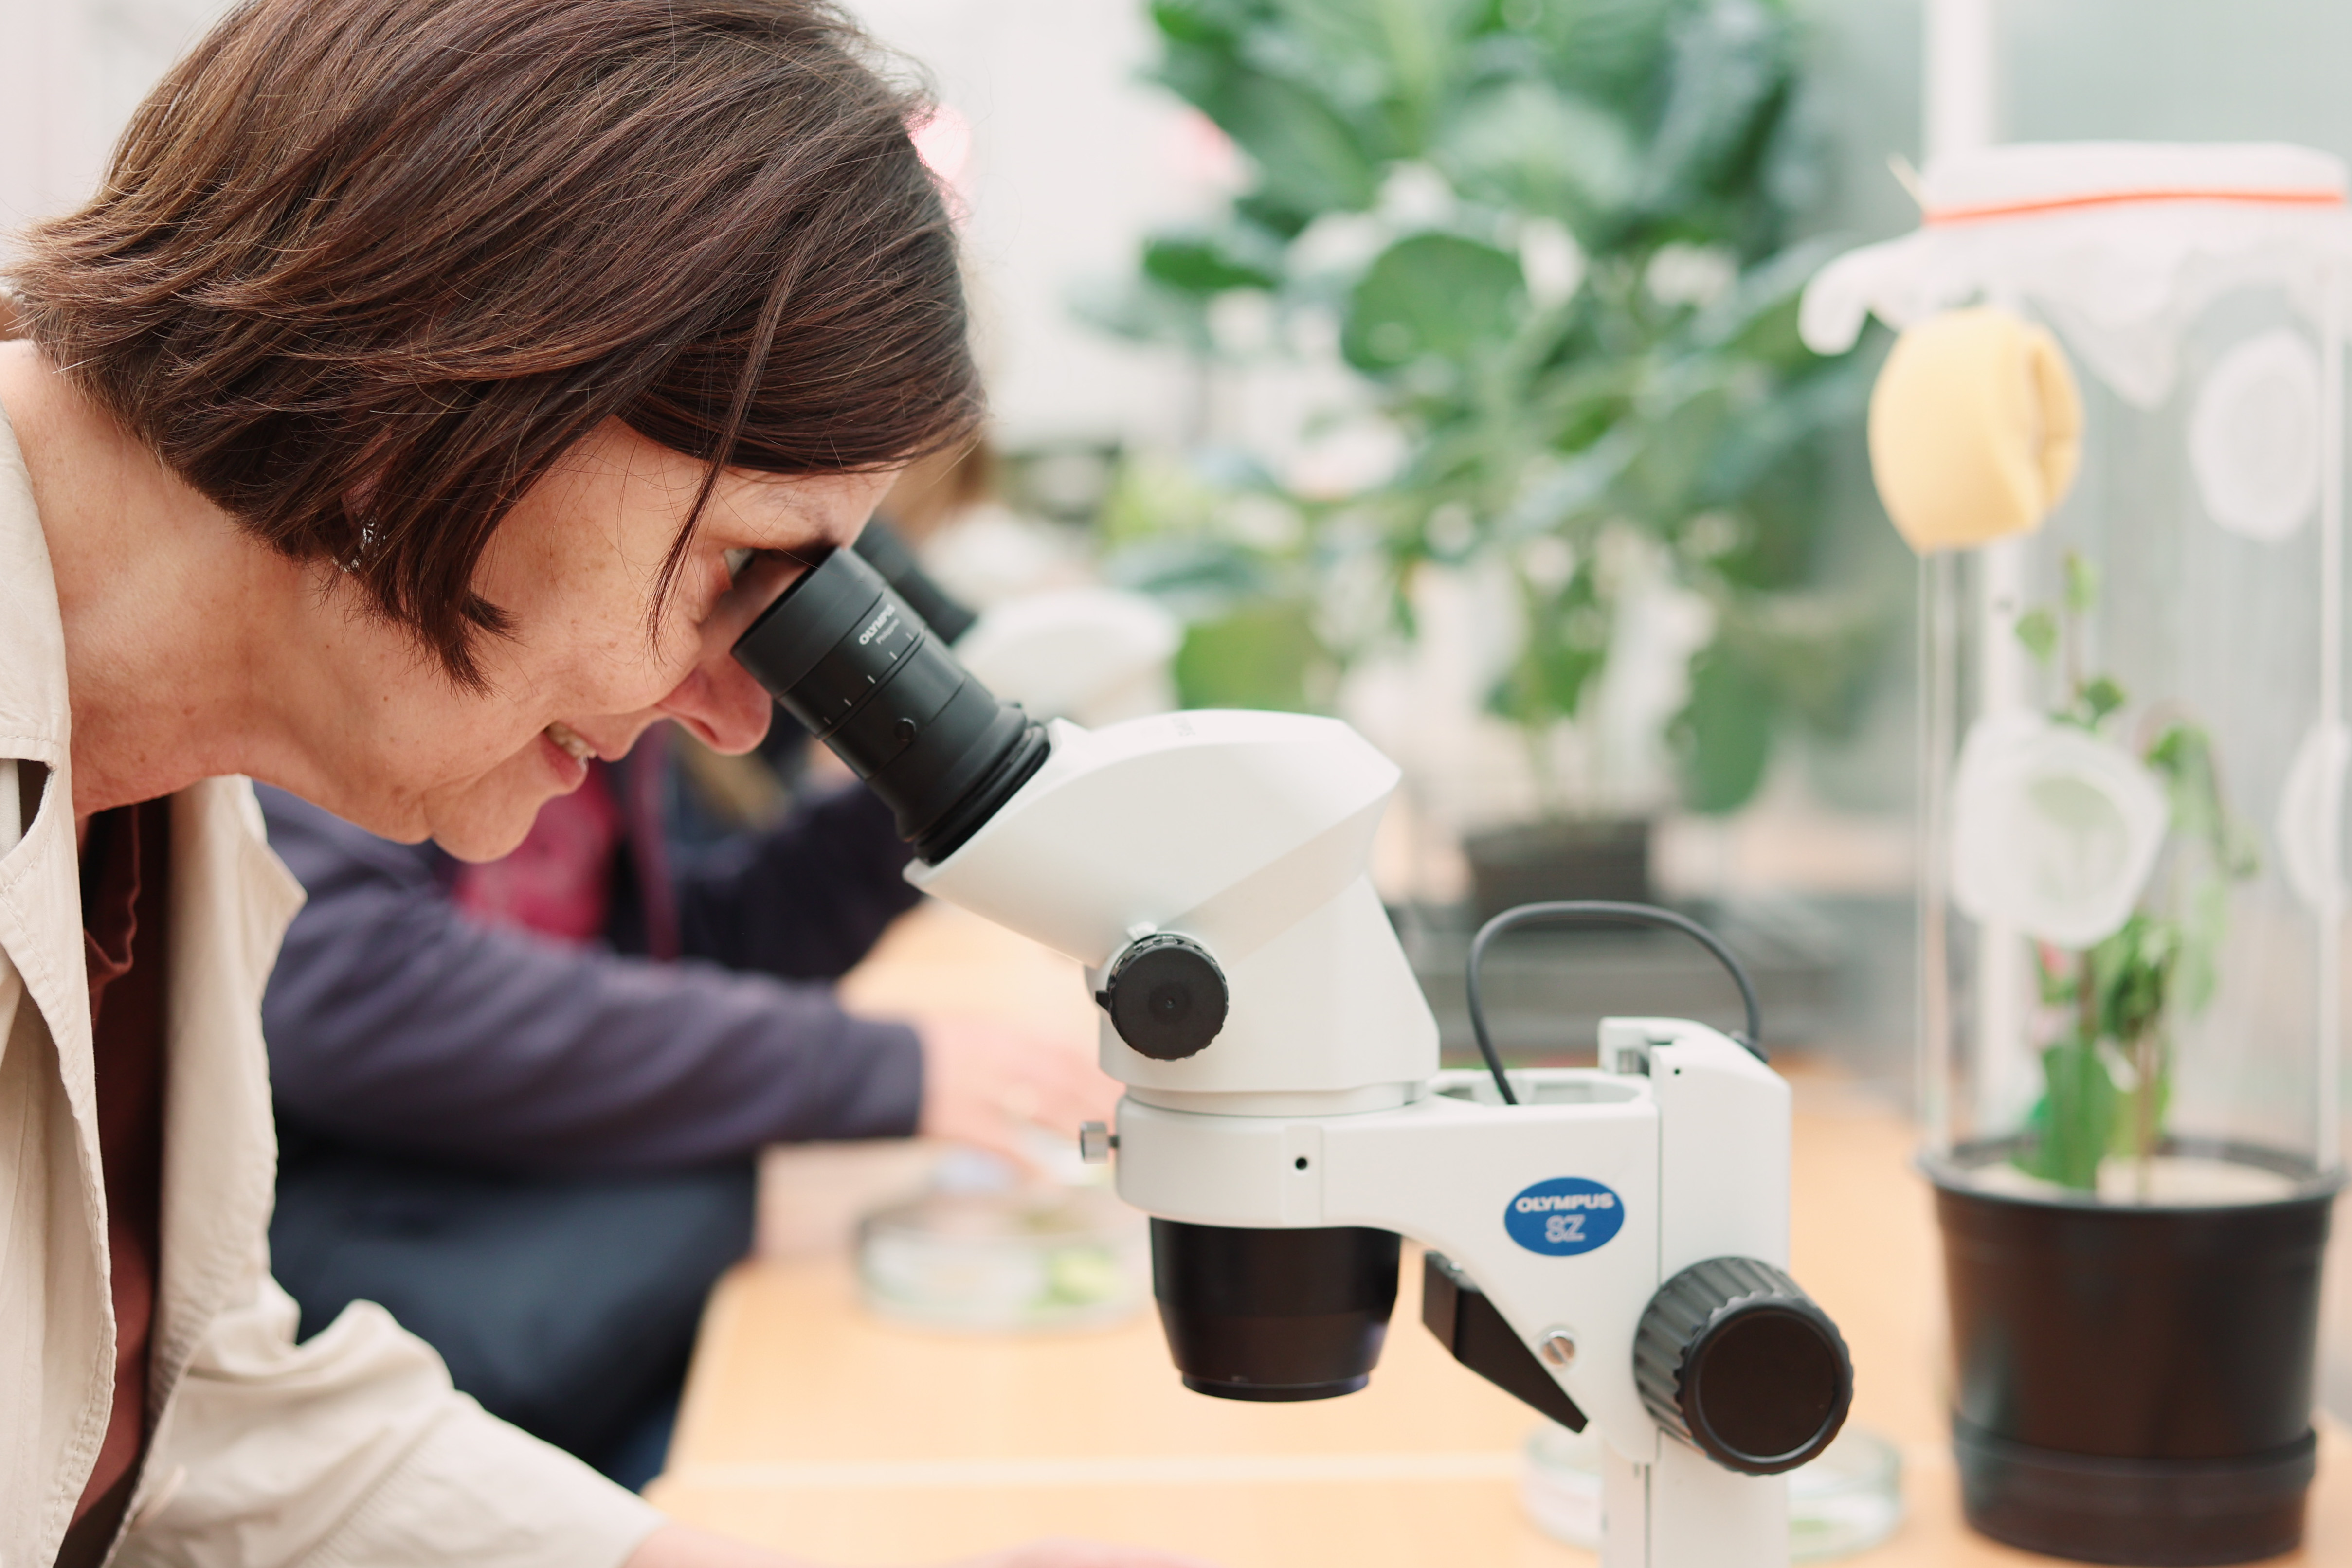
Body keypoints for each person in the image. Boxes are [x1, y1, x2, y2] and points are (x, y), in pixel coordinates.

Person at [0, 2, 1208, 1566]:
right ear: (454, 374)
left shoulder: (170, 794)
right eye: (740, 570)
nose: (735, 715)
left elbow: (191, 1426)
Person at [255, 709, 1107, 1484]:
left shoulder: (592, 732)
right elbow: (348, 990)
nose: (738, 712)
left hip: (535, 1271)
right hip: (372, 1311)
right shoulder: (376, 689)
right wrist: (857, 1068)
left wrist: (910, 809)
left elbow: (647, 971)